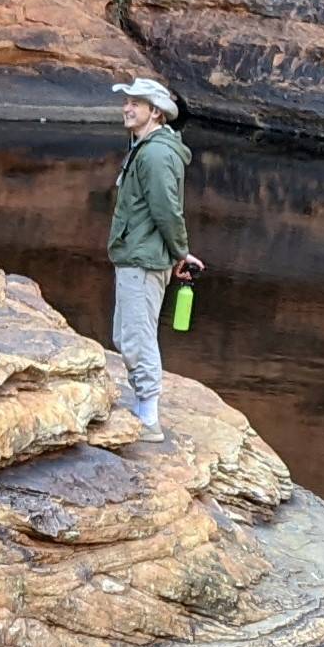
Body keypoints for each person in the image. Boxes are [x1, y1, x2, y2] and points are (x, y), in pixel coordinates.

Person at [104, 78, 196, 434]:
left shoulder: (156, 154)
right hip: (136, 256)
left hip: (142, 261)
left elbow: (167, 211)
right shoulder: (145, 145)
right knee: (126, 334)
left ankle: (149, 420)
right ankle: (144, 407)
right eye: (127, 101)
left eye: (135, 103)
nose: (127, 108)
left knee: (137, 338)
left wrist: (181, 253)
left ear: (155, 112)